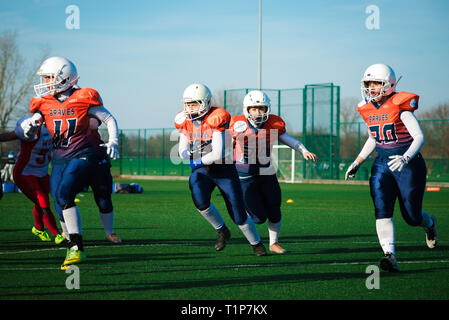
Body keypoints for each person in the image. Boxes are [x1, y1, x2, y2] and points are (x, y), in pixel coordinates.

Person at [24, 56, 120, 270]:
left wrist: (113, 140)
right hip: (59, 158)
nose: (46, 82)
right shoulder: (45, 102)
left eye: (49, 78)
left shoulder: (83, 97)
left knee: (72, 193)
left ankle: (77, 247)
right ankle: (70, 241)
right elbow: (35, 127)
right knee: (59, 201)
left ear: (64, 77)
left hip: (85, 153)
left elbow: (108, 118)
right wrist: (31, 126)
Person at [345, 63, 438, 272]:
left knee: (411, 217)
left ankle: (429, 223)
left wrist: (405, 158)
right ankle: (389, 255)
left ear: (389, 84)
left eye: (375, 84)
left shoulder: (399, 105)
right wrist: (357, 161)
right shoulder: (366, 108)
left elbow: (419, 137)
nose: (370, 88)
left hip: (409, 164)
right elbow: (373, 137)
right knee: (382, 209)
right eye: (368, 84)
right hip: (382, 164)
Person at [175, 83, 267, 256]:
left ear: (206, 103)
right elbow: (182, 150)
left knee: (238, 214)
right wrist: (187, 153)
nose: (190, 108)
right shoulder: (184, 120)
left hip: (223, 169)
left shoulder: (217, 117)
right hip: (203, 170)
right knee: (199, 198)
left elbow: (217, 154)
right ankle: (222, 231)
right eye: (188, 104)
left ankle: (256, 243)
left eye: (194, 104)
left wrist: (195, 160)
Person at [229, 90, 318, 254]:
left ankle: (273, 243)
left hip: (266, 173)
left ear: (267, 109)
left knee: (274, 207)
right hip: (244, 176)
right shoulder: (236, 124)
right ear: (247, 109)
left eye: (261, 108)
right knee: (259, 218)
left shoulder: (274, 124)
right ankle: (244, 209)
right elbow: (222, 144)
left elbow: (290, 140)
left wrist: (303, 150)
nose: (258, 112)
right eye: (254, 109)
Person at [0, 118, 64, 244]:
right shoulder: (32, 128)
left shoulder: (56, 129)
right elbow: (10, 135)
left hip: (42, 172)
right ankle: (57, 234)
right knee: (43, 201)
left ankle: (38, 228)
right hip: (25, 172)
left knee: (49, 199)